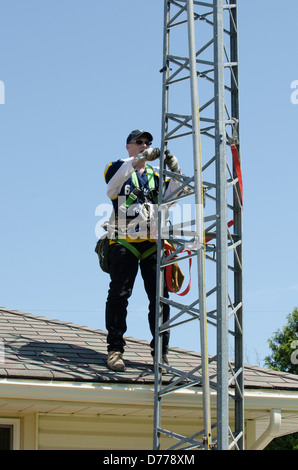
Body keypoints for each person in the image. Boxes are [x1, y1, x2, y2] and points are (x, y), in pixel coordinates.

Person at [104, 129, 181, 372]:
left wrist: (175, 170)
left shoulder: (157, 176)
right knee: (119, 294)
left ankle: (161, 352)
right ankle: (115, 350)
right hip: (124, 240)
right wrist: (140, 158)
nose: (144, 145)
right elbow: (111, 187)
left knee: (159, 298)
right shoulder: (117, 167)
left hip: (152, 242)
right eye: (139, 142)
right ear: (128, 146)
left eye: (147, 142)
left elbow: (174, 196)